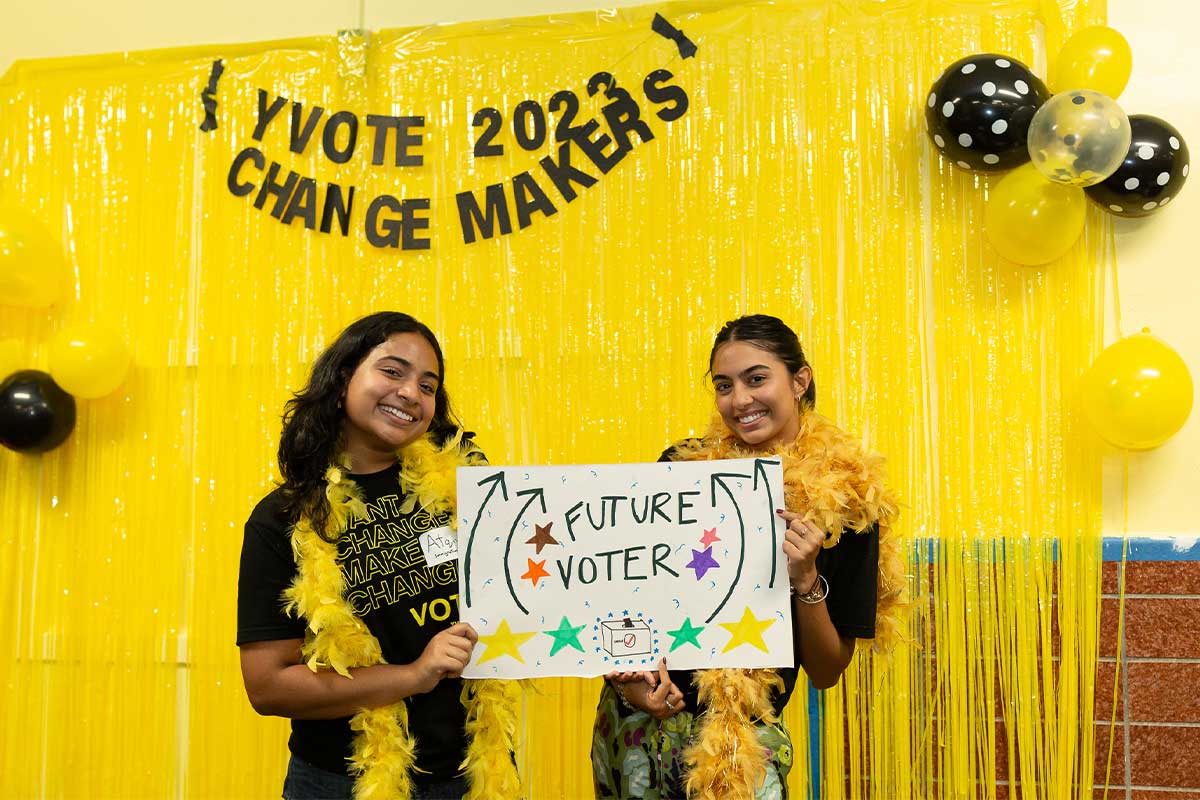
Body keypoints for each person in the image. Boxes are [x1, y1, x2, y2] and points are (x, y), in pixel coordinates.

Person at [591, 314, 908, 800]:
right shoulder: (679, 469)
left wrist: (805, 579)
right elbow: (623, 596)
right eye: (724, 385)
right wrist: (632, 682)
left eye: (756, 378)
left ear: (799, 380)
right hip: (639, 730)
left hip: (745, 743)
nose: (739, 400)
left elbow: (826, 670)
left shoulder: (851, 501)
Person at [236, 311, 519, 800]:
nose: (411, 393)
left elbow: (537, 588)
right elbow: (268, 686)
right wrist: (413, 676)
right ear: (344, 376)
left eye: (428, 385)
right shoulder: (282, 518)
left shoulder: (468, 493)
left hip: (474, 772)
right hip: (341, 782)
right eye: (392, 372)